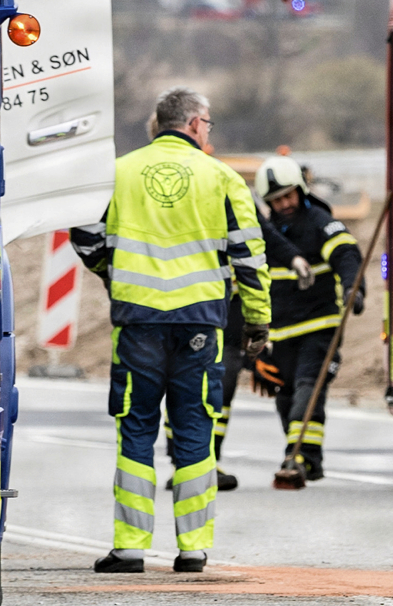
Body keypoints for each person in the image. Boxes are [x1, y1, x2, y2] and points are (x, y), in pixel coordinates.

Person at [71, 88, 268, 575]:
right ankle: (194, 548)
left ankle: (129, 548)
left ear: (159, 123)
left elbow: (84, 236)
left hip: (139, 322)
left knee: (136, 428)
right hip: (200, 324)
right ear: (196, 123)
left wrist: (115, 274)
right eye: (209, 124)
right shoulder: (222, 177)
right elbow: (249, 256)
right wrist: (258, 319)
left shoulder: (118, 173)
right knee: (195, 428)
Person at [253, 154, 362, 486]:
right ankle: (310, 460)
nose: (284, 204)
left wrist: (353, 288)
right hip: (280, 333)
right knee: (286, 396)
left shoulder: (319, 222)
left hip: (319, 326)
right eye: (276, 200)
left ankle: (296, 456)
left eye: (288, 195)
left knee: (308, 388)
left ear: (300, 190)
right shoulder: (267, 233)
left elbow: (346, 253)